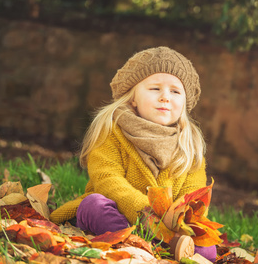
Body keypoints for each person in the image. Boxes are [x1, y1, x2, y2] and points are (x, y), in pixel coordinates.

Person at [50, 46, 216, 261]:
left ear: (185, 102)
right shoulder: (112, 130)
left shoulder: (189, 146)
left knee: (208, 250)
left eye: (175, 91)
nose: (165, 97)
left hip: (166, 230)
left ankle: (153, 249)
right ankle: (140, 247)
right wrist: (148, 214)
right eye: (155, 88)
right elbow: (108, 180)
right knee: (93, 205)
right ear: (132, 98)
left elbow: (194, 197)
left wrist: (180, 220)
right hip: (118, 217)